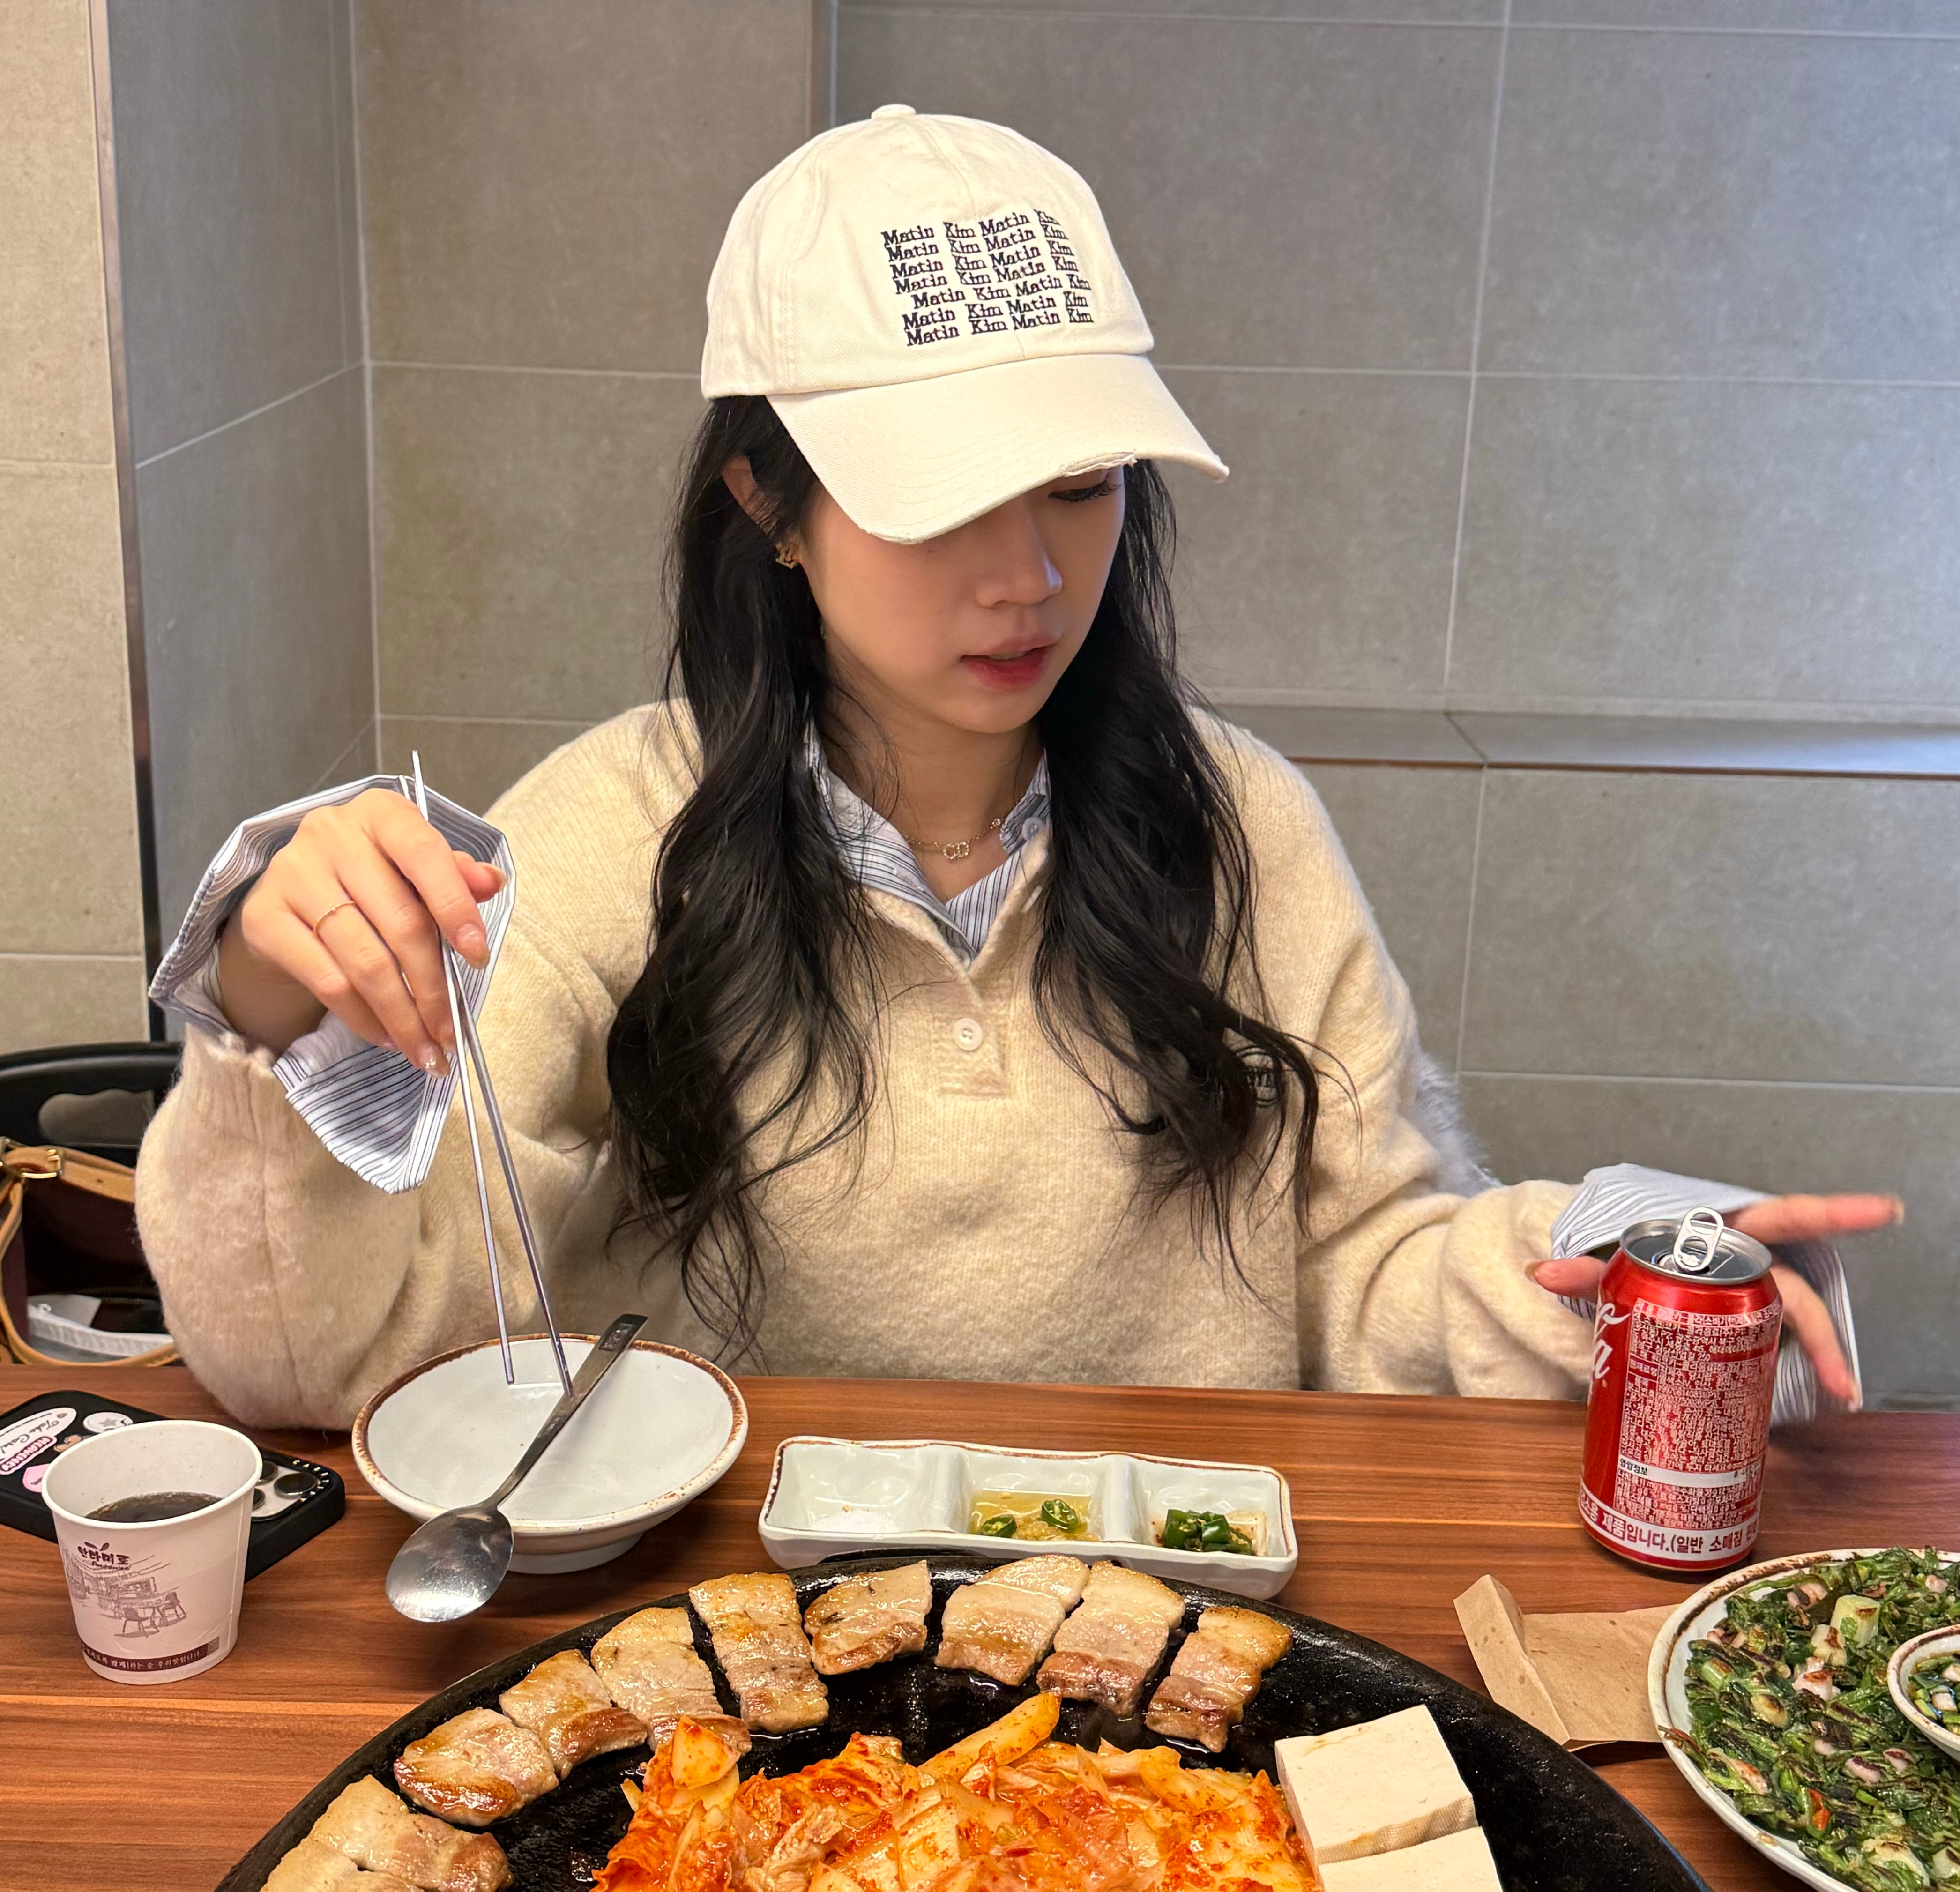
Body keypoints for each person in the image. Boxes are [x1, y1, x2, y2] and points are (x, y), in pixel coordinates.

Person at [135, 109, 1894, 1429]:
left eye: (1076, 484)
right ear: (767, 504)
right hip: (744, 1658)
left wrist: (1614, 1268)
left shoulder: (1245, 828)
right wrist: (269, 1019)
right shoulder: (601, 836)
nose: (1030, 575)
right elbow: (329, 1364)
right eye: (941, 502)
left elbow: (1365, 1276)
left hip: (1169, 1631)